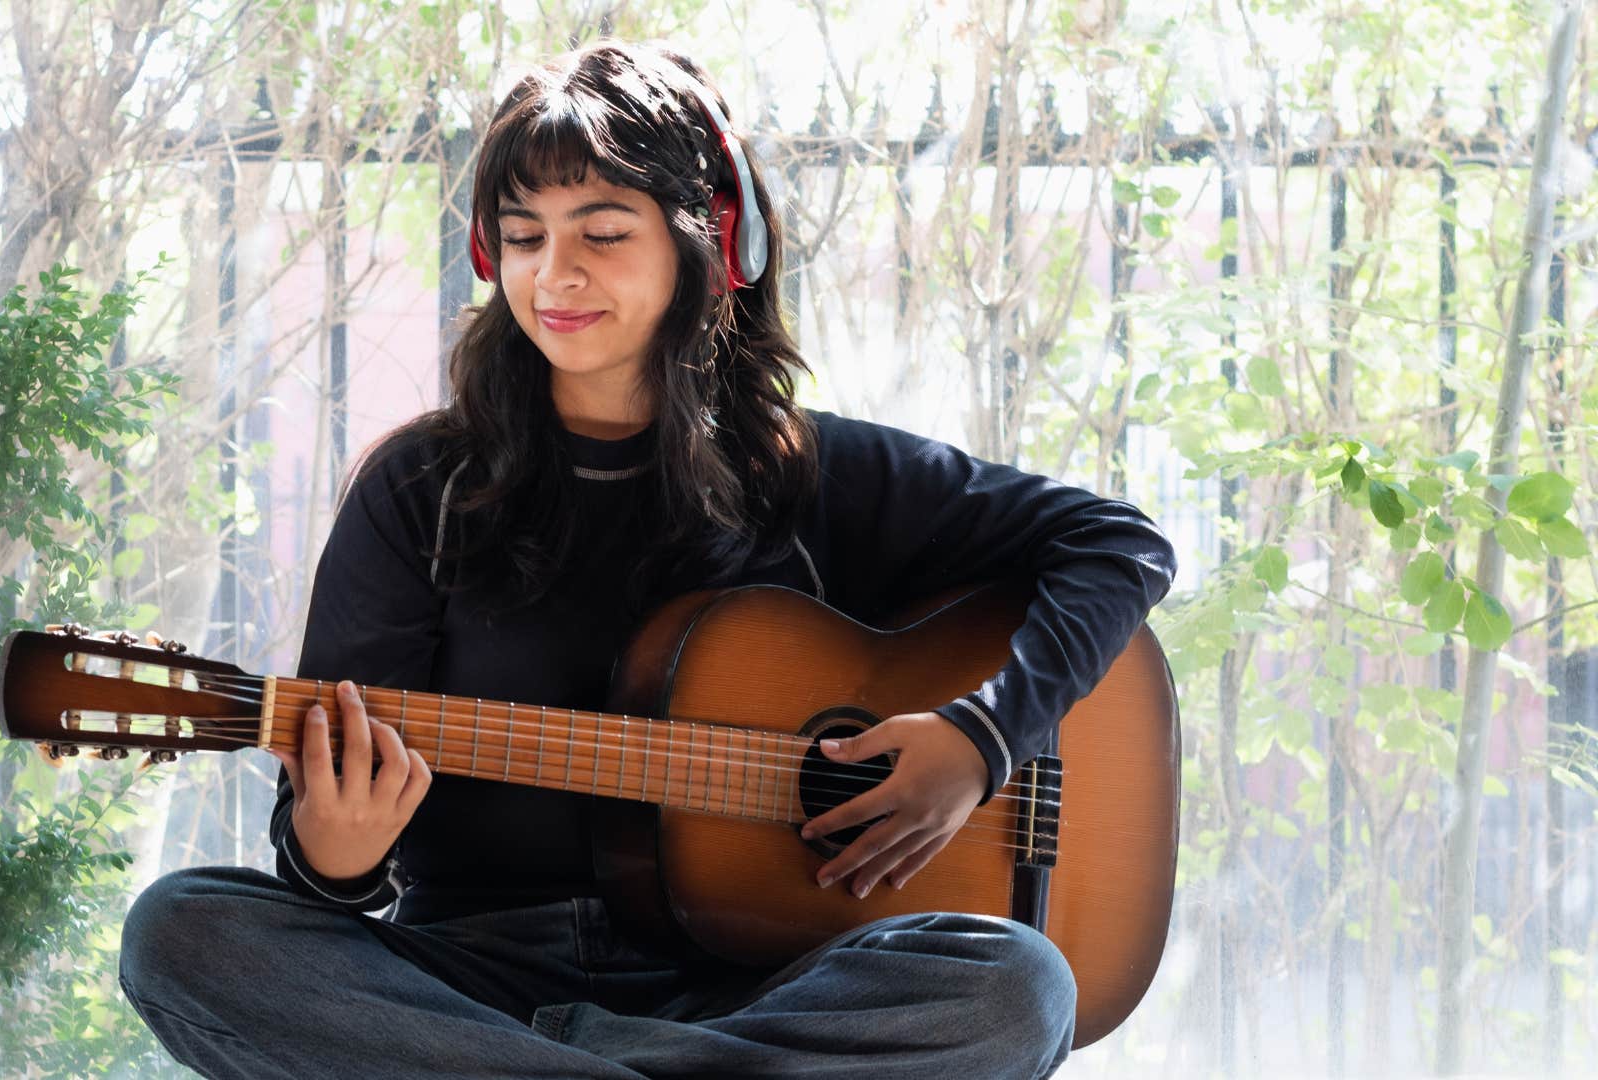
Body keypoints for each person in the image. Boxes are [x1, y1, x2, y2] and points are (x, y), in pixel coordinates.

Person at [119, 38, 1177, 1080]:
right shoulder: (419, 489)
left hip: (755, 984)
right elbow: (320, 880)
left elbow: (1117, 545)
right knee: (183, 933)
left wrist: (982, 737)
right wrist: (336, 854)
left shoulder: (809, 474)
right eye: (523, 236)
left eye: (603, 231)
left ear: (710, 244)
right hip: (473, 982)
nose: (553, 273)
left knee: (1018, 985)